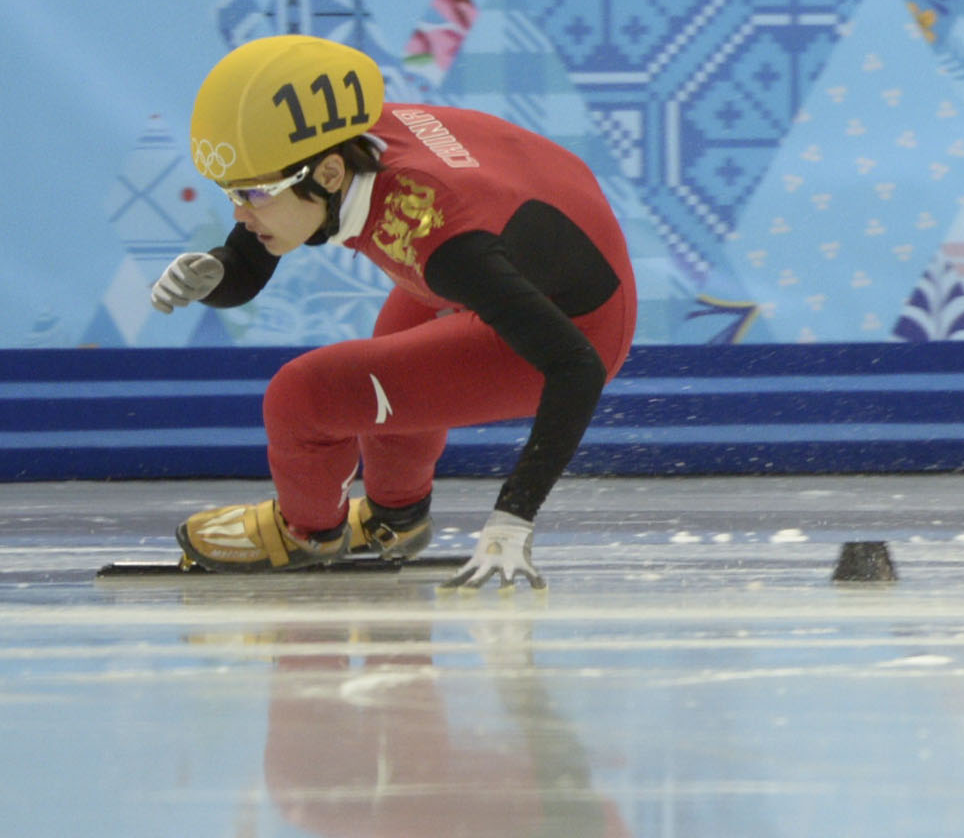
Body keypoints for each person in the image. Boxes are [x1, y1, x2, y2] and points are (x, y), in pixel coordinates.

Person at [150, 34, 636, 586]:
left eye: (253, 194)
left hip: (579, 322)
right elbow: (256, 243)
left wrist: (512, 516)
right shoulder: (335, 144)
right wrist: (219, 272)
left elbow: (577, 367)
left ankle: (307, 532)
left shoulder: (442, 240)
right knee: (389, 370)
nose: (239, 213)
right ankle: (396, 518)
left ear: (331, 175)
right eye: (229, 193)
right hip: (519, 235)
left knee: (304, 397)